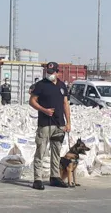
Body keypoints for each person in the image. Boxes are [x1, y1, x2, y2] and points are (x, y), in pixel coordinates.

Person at [29, 62, 71, 190]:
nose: (50, 74)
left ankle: (55, 177)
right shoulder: (41, 85)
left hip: (59, 124)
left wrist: (68, 122)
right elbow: (32, 101)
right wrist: (44, 110)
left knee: (56, 151)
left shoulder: (62, 85)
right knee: (41, 151)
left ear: (58, 72)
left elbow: (65, 104)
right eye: (48, 72)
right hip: (45, 124)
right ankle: (37, 179)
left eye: (52, 72)